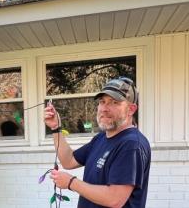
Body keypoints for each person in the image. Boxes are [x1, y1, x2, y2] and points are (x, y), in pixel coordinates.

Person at [44, 77, 151, 208]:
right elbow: (68, 161)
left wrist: (71, 182)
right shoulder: (100, 138)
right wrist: (56, 128)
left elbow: (115, 199)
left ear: (131, 109)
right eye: (102, 101)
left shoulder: (132, 145)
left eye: (114, 102)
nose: (105, 108)